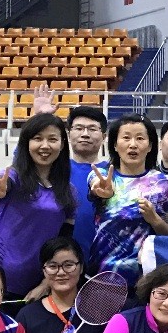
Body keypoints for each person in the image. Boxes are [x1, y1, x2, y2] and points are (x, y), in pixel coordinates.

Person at [0, 113, 77, 312]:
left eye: (52, 139)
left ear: (62, 144)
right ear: (26, 143)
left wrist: (46, 283)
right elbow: (1, 186)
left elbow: (63, 241)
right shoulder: (14, 177)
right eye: (37, 138)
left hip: (38, 282)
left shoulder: (67, 191)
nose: (45, 145)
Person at [87, 114, 168, 289]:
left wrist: (154, 219)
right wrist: (102, 191)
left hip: (146, 279)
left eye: (140, 138)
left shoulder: (164, 184)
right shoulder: (102, 176)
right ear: (115, 145)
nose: (133, 144)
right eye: (126, 137)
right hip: (102, 272)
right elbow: (96, 187)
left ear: (150, 145)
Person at [66, 105, 108, 259]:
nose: (85, 134)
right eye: (79, 128)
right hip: (62, 262)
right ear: (68, 134)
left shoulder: (113, 172)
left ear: (104, 136)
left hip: (104, 259)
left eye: (92, 129)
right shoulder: (55, 169)